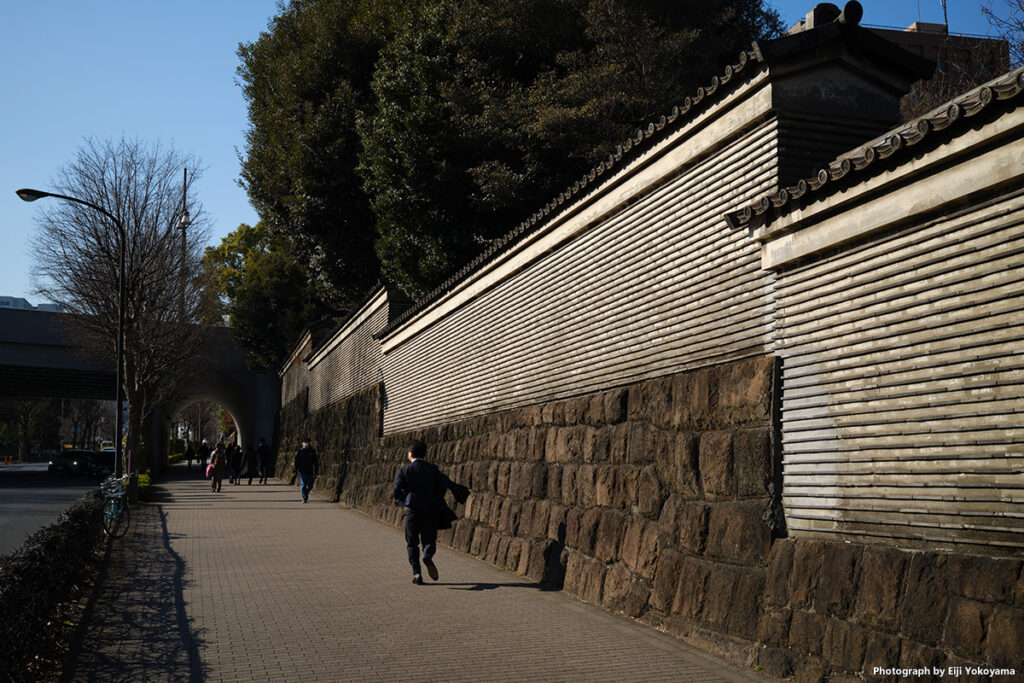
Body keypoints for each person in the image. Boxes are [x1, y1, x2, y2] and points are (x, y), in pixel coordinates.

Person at [392, 440, 468, 585]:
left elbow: (396, 492)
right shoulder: (433, 469)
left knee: (412, 543)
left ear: (411, 454)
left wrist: (406, 499)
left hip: (412, 510)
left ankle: (417, 574)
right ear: (425, 454)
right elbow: (444, 484)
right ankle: (427, 555)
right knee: (429, 539)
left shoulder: (404, 471)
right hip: (430, 510)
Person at [293, 438, 319, 503]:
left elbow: (315, 461)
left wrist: (316, 470)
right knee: (303, 484)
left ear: (309, 443)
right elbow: (296, 461)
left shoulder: (312, 451)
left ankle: (305, 494)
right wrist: (295, 470)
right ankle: (304, 498)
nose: (306, 443)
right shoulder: (299, 451)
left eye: (307, 442)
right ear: (302, 443)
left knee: (310, 485)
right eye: (305, 442)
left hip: (310, 470)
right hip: (301, 471)